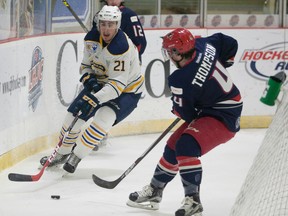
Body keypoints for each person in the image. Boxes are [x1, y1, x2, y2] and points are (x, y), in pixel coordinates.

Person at [127, 28, 242, 216]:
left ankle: (193, 201)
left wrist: (182, 108)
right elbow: (226, 41)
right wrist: (224, 63)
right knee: (172, 147)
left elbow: (185, 114)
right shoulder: (203, 45)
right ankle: (155, 191)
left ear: (178, 52)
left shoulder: (180, 78)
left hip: (224, 115)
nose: (169, 56)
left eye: (170, 51)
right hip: (220, 105)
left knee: (186, 146)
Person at [40, 5, 144, 173]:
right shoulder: (91, 39)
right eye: (103, 24)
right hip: (102, 84)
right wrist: (91, 82)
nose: (106, 28)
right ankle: (62, 153)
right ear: (98, 24)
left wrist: (95, 98)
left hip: (127, 91)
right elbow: (86, 66)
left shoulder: (121, 46)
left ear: (117, 25)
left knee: (103, 117)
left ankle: (76, 156)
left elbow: (117, 86)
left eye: (110, 24)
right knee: (72, 117)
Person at [94, 0, 147, 150]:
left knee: (114, 98)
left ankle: (101, 132)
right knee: (102, 94)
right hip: (105, 66)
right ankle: (98, 133)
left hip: (125, 68)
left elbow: (141, 43)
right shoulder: (100, 15)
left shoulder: (129, 15)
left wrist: (126, 60)